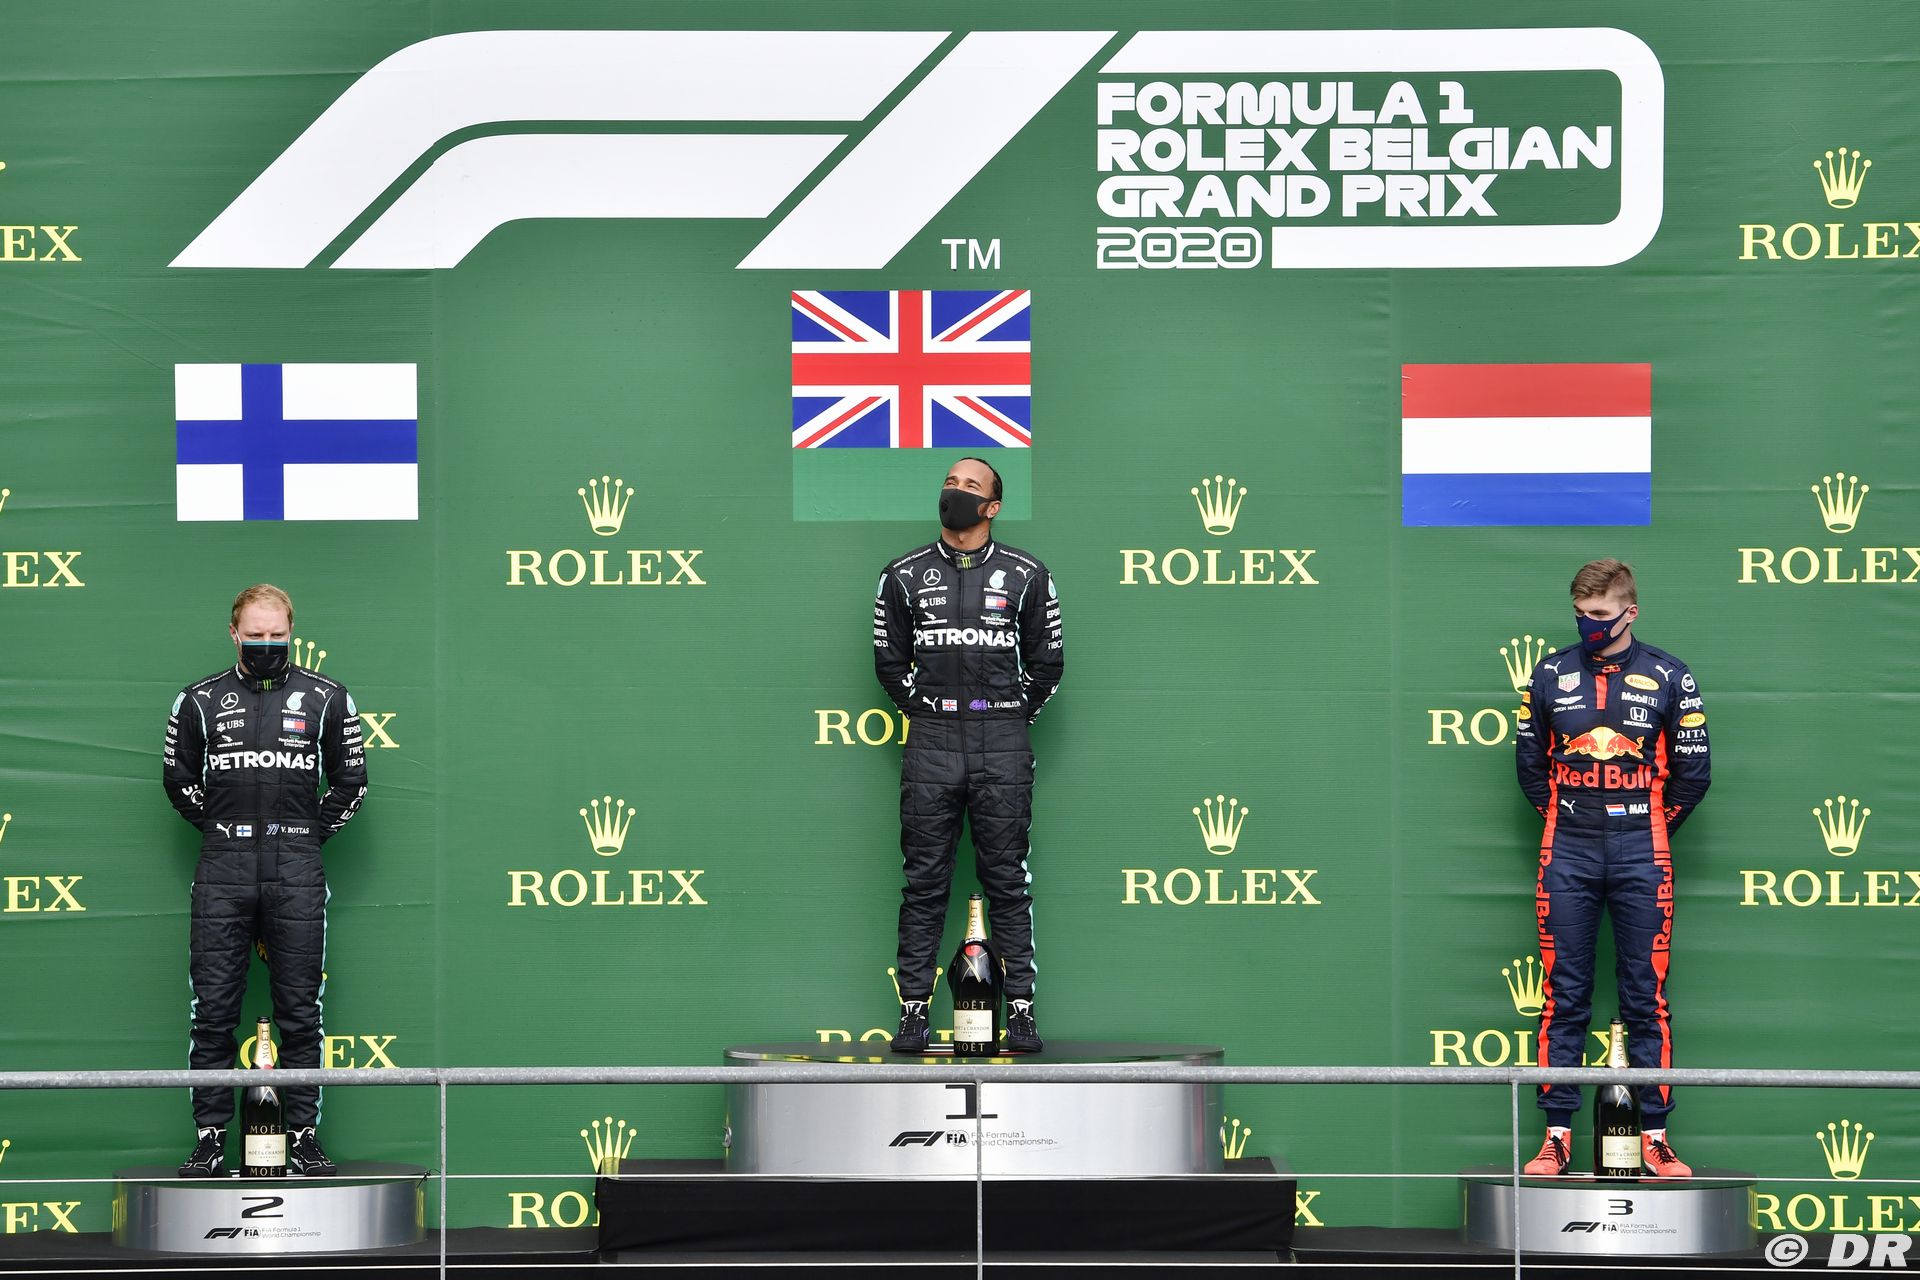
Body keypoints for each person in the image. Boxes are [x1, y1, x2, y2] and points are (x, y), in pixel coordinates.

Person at [1514, 559, 1710, 1178]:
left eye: (1599, 614)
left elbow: (1693, 776)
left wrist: (1642, 825)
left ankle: (1655, 1136)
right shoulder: (1549, 674)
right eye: (1580, 613)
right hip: (1567, 850)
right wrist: (1574, 819)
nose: (1588, 623)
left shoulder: (1671, 674)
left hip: (1643, 851)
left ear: (1630, 611)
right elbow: (1530, 769)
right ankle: (1555, 1137)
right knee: (1563, 995)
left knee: (1646, 997)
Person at [163, 584, 368, 1177]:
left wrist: (302, 837)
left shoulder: (328, 697)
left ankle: (302, 1136)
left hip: (296, 870)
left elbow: (351, 783)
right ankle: (209, 1139)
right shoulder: (198, 699)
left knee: (300, 1013)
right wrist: (224, 830)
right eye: (255, 635)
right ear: (234, 633)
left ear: (292, 632)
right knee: (213, 1014)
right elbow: (178, 781)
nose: (266, 643)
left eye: (277, 634)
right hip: (222, 870)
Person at [874, 458, 1063, 1054]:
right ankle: (912, 1013)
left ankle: (1022, 1011)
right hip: (932, 743)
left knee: (1007, 880)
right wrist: (929, 711)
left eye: (969, 486)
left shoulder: (1027, 574)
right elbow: (888, 663)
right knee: (924, 883)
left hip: (1000, 743)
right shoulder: (902, 574)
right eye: (950, 482)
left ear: (992, 507)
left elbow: (1048, 664)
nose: (954, 491)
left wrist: (1007, 715)